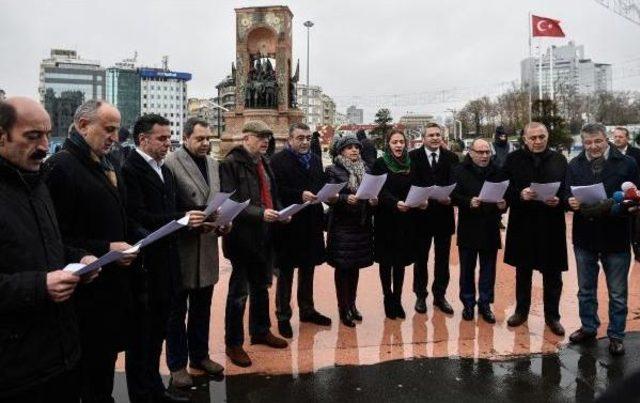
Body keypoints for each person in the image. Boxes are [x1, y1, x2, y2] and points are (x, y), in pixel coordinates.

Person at [0, 97, 98, 402]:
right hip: (14, 369)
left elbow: (48, 246)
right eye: (32, 137)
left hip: (61, 354)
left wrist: (78, 260)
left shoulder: (38, 183)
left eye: (47, 134)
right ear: (2, 136)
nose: (45, 146)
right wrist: (40, 286)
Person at [44, 99, 139, 402]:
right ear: (83, 125)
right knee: (86, 379)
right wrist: (105, 248)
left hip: (112, 289)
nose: (115, 136)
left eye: (117, 130)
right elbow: (53, 238)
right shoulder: (61, 167)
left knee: (103, 373)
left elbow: (121, 216)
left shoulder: (107, 163)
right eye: (108, 129)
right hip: (85, 298)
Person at [122, 114, 207, 403]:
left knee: (157, 333)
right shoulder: (130, 169)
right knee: (142, 339)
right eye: (161, 138)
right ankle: (142, 394)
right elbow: (137, 217)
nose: (167, 143)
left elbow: (174, 208)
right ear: (143, 139)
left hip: (168, 264)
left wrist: (200, 216)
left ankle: (155, 389)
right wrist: (181, 219)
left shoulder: (164, 170)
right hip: (146, 267)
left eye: (169, 137)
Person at [566, 123, 639, 356]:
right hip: (584, 237)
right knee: (585, 289)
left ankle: (616, 335)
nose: (593, 146)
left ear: (606, 138)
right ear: (582, 142)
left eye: (598, 141)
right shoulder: (574, 164)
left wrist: (610, 208)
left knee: (617, 292)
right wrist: (571, 201)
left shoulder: (628, 164)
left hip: (615, 236)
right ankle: (589, 327)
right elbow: (567, 192)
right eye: (588, 142)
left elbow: (634, 198)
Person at [220, 120, 288, 368]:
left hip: (265, 236)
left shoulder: (264, 162)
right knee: (239, 293)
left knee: (261, 287)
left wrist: (281, 212)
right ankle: (234, 343)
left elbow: (272, 195)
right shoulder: (231, 164)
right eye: (260, 137)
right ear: (245, 137)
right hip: (241, 238)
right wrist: (261, 213)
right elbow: (231, 204)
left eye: (267, 137)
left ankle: (261, 330)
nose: (265, 141)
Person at [165, 118, 226, 387]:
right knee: (177, 311)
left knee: (203, 308)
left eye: (208, 139)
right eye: (200, 139)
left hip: (208, 246)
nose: (205, 144)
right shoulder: (171, 164)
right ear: (186, 137)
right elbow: (170, 206)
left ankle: (200, 356)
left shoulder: (214, 164)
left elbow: (216, 200)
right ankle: (177, 365)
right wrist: (191, 222)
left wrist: (223, 221)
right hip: (182, 249)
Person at [503, 122, 567, 337]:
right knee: (523, 271)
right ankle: (521, 311)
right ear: (524, 139)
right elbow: (503, 190)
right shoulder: (513, 160)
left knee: (553, 274)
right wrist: (520, 194)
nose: (537, 141)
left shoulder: (559, 159)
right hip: (524, 223)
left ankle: (553, 317)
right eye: (533, 138)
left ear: (547, 136)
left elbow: (568, 190)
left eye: (541, 137)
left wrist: (560, 200)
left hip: (551, 224)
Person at [271, 122, 332, 339]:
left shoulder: (315, 160)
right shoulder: (278, 161)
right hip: (289, 223)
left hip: (311, 223)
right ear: (290, 139)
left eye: (307, 137)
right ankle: (283, 316)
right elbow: (274, 189)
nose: (305, 141)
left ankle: (307, 310)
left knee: (308, 269)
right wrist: (300, 195)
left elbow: (321, 185)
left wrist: (328, 194)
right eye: (300, 138)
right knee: (286, 273)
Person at [451, 138, 507, 323]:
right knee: (467, 268)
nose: (484, 156)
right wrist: (468, 201)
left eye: (487, 152)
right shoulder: (459, 171)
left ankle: (485, 303)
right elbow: (453, 195)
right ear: (471, 152)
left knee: (488, 269)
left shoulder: (497, 171)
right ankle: (468, 303)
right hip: (469, 225)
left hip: (490, 225)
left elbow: (505, 194)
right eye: (480, 152)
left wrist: (503, 204)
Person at [325, 133, 377, 327]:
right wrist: (344, 198)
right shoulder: (333, 170)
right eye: (349, 147)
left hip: (361, 225)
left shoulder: (367, 169)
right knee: (342, 268)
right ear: (341, 151)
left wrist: (373, 201)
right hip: (342, 226)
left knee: (354, 268)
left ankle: (352, 305)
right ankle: (343, 308)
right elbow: (328, 195)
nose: (354, 150)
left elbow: (372, 192)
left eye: (356, 147)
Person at [372, 129, 422, 319]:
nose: (399, 145)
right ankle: (388, 298)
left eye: (401, 141)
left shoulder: (411, 164)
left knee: (400, 262)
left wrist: (419, 200)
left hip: (406, 219)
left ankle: (398, 299)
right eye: (395, 142)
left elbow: (416, 186)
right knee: (386, 262)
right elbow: (379, 189)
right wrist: (394, 203)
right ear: (388, 144)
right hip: (386, 218)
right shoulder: (380, 163)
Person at [409, 122, 458, 315]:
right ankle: (420, 295)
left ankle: (440, 296)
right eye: (431, 135)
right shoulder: (412, 157)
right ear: (424, 137)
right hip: (421, 216)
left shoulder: (452, 157)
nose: (435, 138)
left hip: (444, 215)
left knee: (442, 259)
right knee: (420, 258)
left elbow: (458, 185)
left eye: (438, 134)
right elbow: (409, 184)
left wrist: (451, 199)